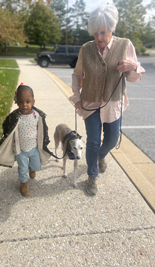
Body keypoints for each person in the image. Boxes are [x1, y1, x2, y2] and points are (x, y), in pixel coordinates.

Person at [69, 5, 145, 196]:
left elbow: (133, 78)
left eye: (103, 32)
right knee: (93, 141)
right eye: (95, 33)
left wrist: (133, 66)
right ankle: (92, 176)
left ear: (112, 28)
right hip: (90, 102)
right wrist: (77, 98)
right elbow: (77, 75)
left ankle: (102, 156)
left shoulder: (125, 45)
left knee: (111, 139)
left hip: (113, 103)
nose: (99, 38)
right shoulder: (86, 49)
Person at [0, 83, 50, 196]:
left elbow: (43, 130)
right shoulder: (16, 117)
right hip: (20, 150)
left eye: (27, 101)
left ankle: (32, 169)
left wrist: (44, 142)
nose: (24, 105)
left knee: (36, 165)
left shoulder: (37, 116)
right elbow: (7, 126)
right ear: (17, 102)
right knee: (22, 168)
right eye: (21, 102)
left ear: (33, 102)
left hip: (34, 148)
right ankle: (23, 183)